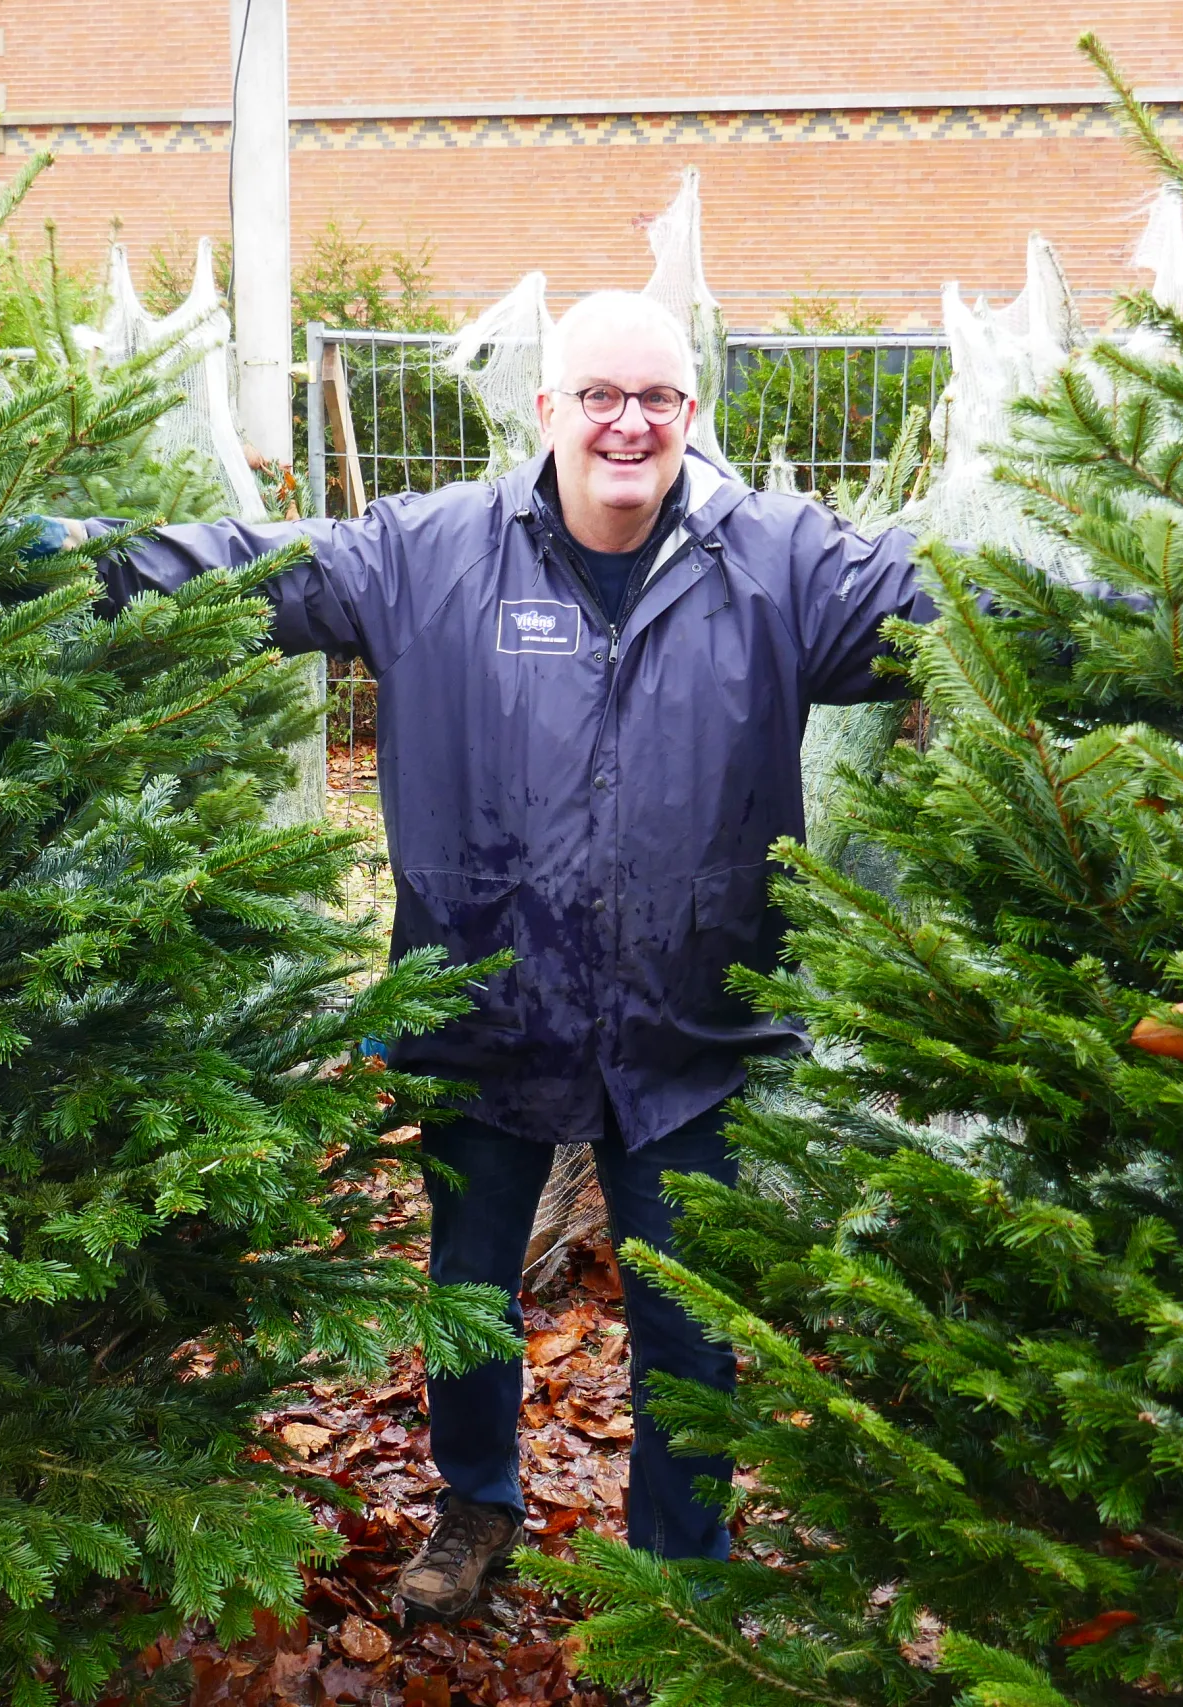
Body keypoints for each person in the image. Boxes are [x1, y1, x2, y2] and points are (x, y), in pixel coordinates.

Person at [83, 291, 933, 1620]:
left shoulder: (778, 565)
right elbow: (246, 568)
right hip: (487, 1008)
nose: (628, 423)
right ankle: (477, 1506)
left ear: (692, 413)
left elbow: (958, 608)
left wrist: (1173, 619)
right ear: (547, 409)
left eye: (656, 398)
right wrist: (42, 557)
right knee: (469, 1298)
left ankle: (679, 1586)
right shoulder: (432, 557)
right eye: (599, 395)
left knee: (691, 1328)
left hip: (687, 1034)